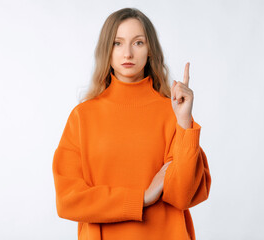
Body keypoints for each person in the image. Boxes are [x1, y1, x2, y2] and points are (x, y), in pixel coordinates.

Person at [52, 7, 212, 240]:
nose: (127, 53)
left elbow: (183, 196)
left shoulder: (173, 114)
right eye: (117, 43)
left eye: (138, 43)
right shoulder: (83, 116)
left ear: (150, 51)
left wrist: (185, 121)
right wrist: (141, 198)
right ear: (106, 51)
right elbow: (68, 201)